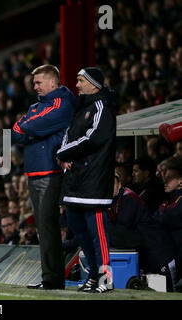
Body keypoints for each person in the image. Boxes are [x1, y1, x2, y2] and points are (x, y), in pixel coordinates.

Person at [12, 64, 76, 290]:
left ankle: (53, 279)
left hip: (50, 171)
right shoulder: (37, 106)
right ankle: (50, 276)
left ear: (53, 82)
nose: (34, 86)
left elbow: (30, 126)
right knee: (43, 228)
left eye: (38, 83)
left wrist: (27, 127)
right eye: (34, 83)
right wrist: (28, 127)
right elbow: (16, 133)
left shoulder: (62, 103)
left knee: (48, 227)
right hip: (35, 171)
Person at [56, 67, 117, 293]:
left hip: (94, 181)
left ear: (94, 84)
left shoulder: (102, 107)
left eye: (81, 81)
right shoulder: (81, 109)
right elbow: (68, 137)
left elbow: (93, 139)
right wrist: (63, 157)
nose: (77, 85)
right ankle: (93, 275)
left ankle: (105, 279)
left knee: (97, 233)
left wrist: (64, 154)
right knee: (79, 230)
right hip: (76, 181)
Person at [108, 168, 178, 291]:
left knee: (166, 293)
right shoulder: (114, 201)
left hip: (160, 255)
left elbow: (121, 231)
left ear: (119, 184)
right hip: (148, 256)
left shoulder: (128, 198)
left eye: (112, 183)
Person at [153, 156, 182, 292]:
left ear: (180, 181)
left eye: (170, 177)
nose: (165, 180)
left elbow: (169, 218)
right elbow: (156, 217)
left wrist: (161, 218)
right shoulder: (169, 199)